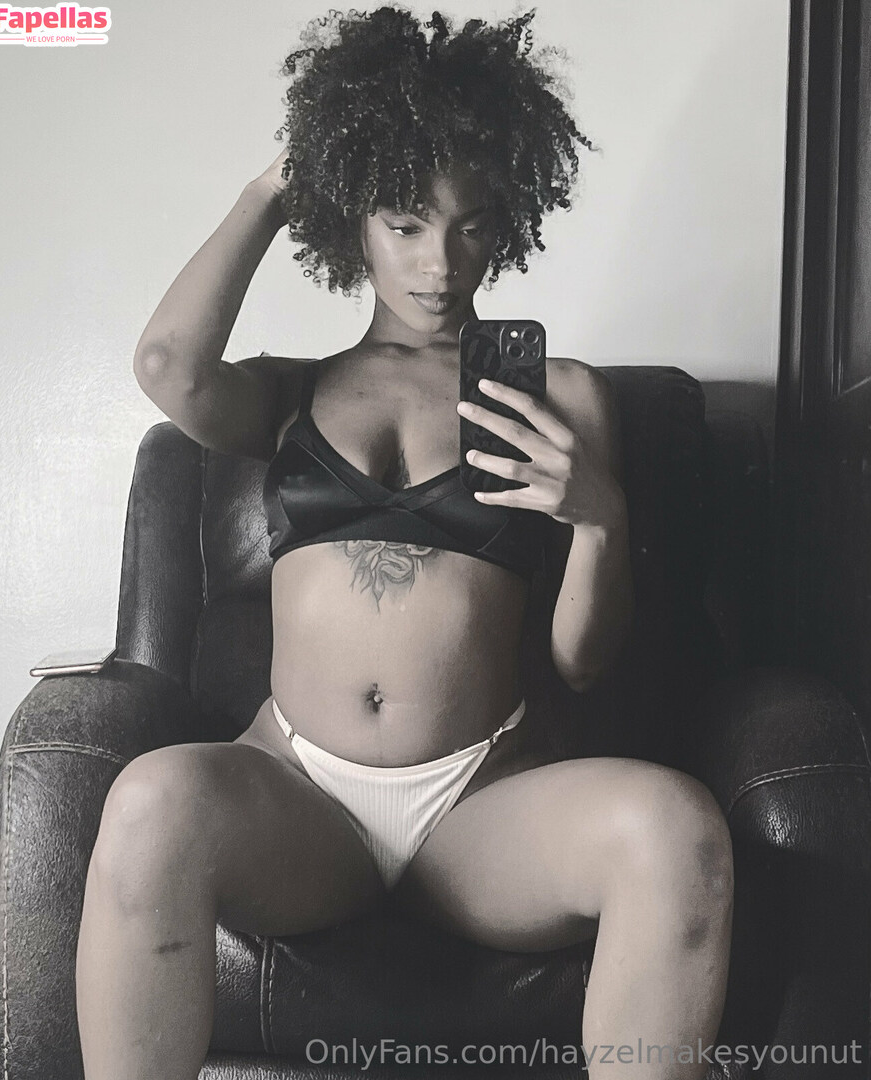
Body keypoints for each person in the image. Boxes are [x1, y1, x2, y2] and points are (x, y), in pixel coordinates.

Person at [75, 7, 733, 1078]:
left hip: (479, 805)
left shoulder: (561, 397)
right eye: (406, 222)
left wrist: (600, 516)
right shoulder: (291, 393)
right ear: (355, 222)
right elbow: (168, 367)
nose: (440, 263)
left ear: (506, 223)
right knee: (149, 801)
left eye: (471, 226)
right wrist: (275, 186)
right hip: (297, 798)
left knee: (675, 829)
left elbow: (581, 663)